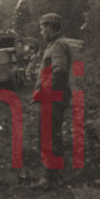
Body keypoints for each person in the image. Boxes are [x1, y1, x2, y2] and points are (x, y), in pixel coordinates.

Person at [33, 12, 73, 183]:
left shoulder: (57, 46)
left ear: (49, 28)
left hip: (53, 97)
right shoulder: (56, 44)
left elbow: (60, 70)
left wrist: (46, 90)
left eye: (42, 28)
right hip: (54, 96)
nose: (41, 32)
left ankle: (52, 177)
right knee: (48, 133)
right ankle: (53, 173)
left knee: (50, 135)